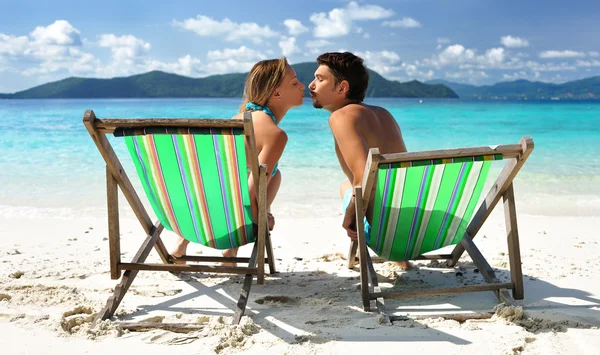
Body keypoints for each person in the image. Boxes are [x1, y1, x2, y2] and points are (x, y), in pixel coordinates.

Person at [171, 57, 305, 264]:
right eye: (295, 82)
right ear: (276, 93)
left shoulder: (235, 120)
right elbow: (251, 193)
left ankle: (182, 243)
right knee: (267, 177)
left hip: (195, 215)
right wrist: (263, 218)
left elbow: (211, 174)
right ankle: (231, 248)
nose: (302, 86)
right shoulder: (274, 134)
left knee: (252, 174)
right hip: (229, 221)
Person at [308, 52, 411, 270]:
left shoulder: (341, 117)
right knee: (348, 185)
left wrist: (349, 216)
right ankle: (403, 260)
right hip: (417, 224)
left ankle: (393, 255)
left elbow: (365, 177)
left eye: (320, 79)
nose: (311, 85)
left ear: (342, 87)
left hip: (389, 235)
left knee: (350, 188)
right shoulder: (384, 114)